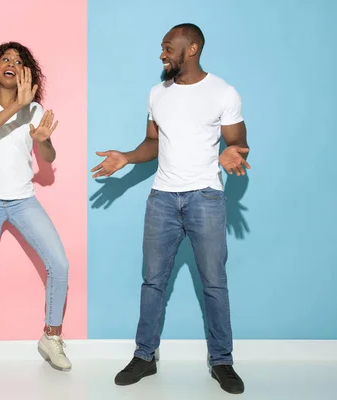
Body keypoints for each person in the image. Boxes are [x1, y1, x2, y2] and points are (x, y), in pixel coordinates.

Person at [91, 23, 250, 394]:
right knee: (152, 282)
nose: (162, 54)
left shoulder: (222, 92)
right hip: (162, 198)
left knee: (214, 283)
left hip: (205, 198)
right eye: (162, 48)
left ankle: (222, 361)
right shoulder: (157, 93)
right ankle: (145, 356)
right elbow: (152, 142)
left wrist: (233, 151)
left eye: (167, 47)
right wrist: (128, 158)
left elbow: (239, 139)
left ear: (191, 48)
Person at [0, 41, 71, 376]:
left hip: (24, 200)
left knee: (60, 265)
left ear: (26, 71)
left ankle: (51, 338)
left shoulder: (35, 110)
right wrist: (17, 107)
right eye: (4, 58)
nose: (10, 62)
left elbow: (49, 158)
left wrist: (42, 140)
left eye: (18, 60)